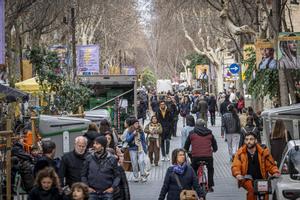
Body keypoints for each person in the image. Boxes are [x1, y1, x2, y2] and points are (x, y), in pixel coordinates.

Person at [232, 132, 280, 200]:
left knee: (265, 193)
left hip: (262, 178)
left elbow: (270, 164)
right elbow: (236, 165)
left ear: (256, 140)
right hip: (247, 179)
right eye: (246, 139)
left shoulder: (263, 152)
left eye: (251, 139)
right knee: (251, 191)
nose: (249, 141)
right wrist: (237, 174)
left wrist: (275, 172)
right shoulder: (240, 153)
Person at [81, 136, 120, 200]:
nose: (94, 145)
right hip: (92, 193)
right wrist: (87, 187)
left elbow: (117, 176)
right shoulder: (89, 158)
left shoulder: (112, 159)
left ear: (103, 146)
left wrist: (113, 188)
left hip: (107, 193)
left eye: (97, 144)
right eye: (94, 143)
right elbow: (83, 175)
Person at [184, 119, 218, 192]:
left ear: (196, 125)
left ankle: (193, 185)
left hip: (196, 157)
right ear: (204, 125)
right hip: (208, 156)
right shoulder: (209, 133)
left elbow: (186, 145)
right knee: (210, 169)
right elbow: (215, 145)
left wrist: (186, 150)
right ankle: (210, 185)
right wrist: (214, 149)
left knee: (193, 169)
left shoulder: (192, 133)